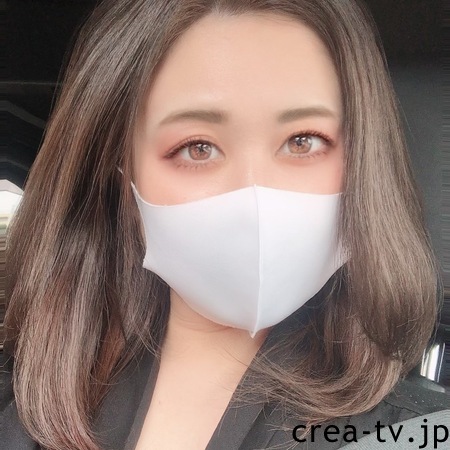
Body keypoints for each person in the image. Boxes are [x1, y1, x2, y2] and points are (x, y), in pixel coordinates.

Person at [1, 0, 449, 449]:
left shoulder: (418, 434)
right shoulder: (18, 406)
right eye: (197, 148)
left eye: (303, 141)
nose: (255, 195)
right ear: (124, 178)